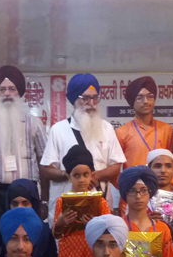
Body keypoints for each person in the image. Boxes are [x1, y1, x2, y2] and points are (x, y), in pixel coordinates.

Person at [40, 73, 125, 221]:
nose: (91, 103)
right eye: (85, 98)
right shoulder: (58, 129)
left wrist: (95, 176)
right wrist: (71, 175)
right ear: (74, 101)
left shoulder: (106, 128)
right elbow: (47, 169)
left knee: (99, 235)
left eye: (95, 98)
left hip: (99, 203)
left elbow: (116, 165)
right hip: (67, 209)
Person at [0, 65, 48, 224]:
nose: (7, 93)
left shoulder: (34, 124)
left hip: (27, 193)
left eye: (11, 89)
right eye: (2, 89)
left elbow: (44, 163)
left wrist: (44, 199)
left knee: (28, 235)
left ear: (19, 93)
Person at [52, 145, 112, 257]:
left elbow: (109, 232)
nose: (81, 180)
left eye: (86, 175)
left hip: (93, 252)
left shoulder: (100, 202)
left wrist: (94, 225)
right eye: (76, 175)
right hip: (70, 254)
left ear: (92, 175)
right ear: (69, 177)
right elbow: (57, 235)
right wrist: (60, 223)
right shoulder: (61, 202)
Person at [118, 165, 173, 257]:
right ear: (125, 194)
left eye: (143, 190)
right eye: (132, 191)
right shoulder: (117, 227)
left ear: (150, 192)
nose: (138, 196)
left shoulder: (163, 228)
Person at [116, 76, 173, 170]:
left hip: (160, 179)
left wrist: (171, 180)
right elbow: (115, 169)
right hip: (134, 179)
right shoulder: (121, 132)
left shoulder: (166, 129)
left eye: (150, 97)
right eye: (139, 98)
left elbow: (172, 163)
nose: (146, 101)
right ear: (132, 101)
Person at [7, 179, 58, 257]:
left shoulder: (45, 233)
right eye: (15, 204)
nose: (20, 208)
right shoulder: (2, 230)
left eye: (25, 203)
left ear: (33, 204)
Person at [146, 148, 173, 225]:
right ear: (148, 169)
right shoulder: (139, 198)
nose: (163, 170)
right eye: (157, 166)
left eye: (168, 166)